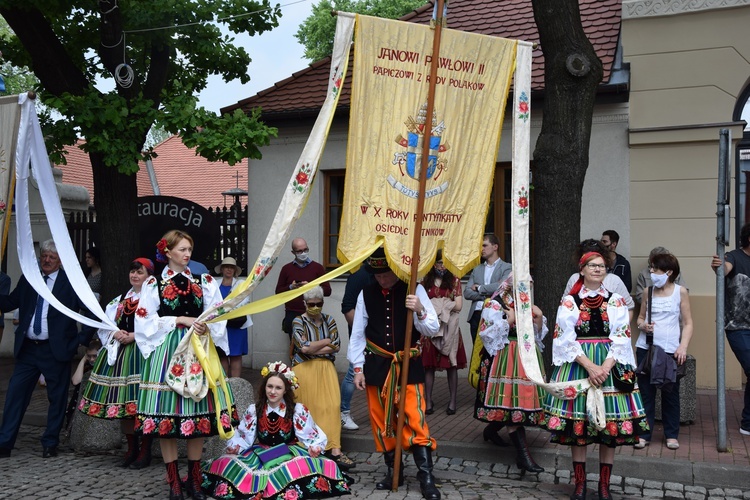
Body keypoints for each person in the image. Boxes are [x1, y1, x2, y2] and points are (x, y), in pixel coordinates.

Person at [134, 230, 237, 500]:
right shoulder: (153, 283)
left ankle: (193, 478)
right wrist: (179, 319)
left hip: (198, 348)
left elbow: (218, 311)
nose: (187, 253)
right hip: (168, 350)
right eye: (181, 249)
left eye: (189, 248)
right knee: (166, 418)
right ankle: (173, 482)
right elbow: (144, 321)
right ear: (167, 251)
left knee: (197, 416)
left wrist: (207, 324)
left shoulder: (204, 280)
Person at [544, 251, 648, 500]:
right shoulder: (570, 301)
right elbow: (563, 338)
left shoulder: (616, 301)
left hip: (609, 366)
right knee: (578, 431)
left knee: (609, 429)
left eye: (602, 266)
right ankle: (579, 484)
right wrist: (590, 366)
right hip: (580, 364)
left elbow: (622, 336)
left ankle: (604, 485)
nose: (598, 269)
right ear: (582, 269)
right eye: (593, 265)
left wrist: (605, 367)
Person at [348, 248, 442, 500]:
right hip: (377, 365)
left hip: (409, 364)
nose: (381, 279)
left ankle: (426, 478)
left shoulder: (414, 288)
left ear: (396, 269)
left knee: (416, 417)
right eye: (377, 275)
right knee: (381, 422)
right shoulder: (365, 293)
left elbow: (432, 328)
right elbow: (358, 333)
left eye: (386, 274)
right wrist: (357, 368)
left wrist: (420, 308)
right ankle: (394, 471)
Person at [201, 362, 352, 499]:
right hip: (261, 454)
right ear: (264, 387)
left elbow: (311, 435)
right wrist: (236, 446)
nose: (273, 391)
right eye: (270, 386)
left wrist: (315, 446)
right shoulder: (255, 410)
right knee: (230, 465)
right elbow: (243, 436)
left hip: (287, 452)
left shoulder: (296, 410)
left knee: (305, 467)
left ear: (286, 390)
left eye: (278, 388)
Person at [0, 239, 94, 459]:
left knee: (57, 397)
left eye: (52, 257)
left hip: (56, 350)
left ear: (60, 261)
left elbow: (90, 311)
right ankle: (5, 442)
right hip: (28, 350)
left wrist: (80, 340)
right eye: (44, 256)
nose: (47, 260)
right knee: (15, 394)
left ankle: (50, 442)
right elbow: (9, 303)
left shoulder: (70, 282)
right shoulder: (30, 279)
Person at [78, 258, 154, 468]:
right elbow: (105, 323)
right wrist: (115, 332)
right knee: (124, 405)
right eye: (132, 272)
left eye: (140, 272)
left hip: (145, 356)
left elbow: (161, 327)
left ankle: (146, 449)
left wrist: (135, 335)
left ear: (149, 276)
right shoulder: (121, 299)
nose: (135, 275)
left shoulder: (154, 299)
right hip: (122, 357)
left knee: (144, 404)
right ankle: (132, 448)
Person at [474, 274, 546, 473]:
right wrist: (510, 321)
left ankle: (491, 430)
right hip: (503, 358)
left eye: (529, 286)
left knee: (515, 403)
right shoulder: (496, 304)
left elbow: (537, 337)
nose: (527, 290)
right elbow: (487, 334)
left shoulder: (526, 304)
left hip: (525, 358)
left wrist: (538, 319)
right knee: (510, 403)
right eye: (523, 286)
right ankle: (524, 458)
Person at [291, 286, 356, 470]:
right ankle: (309, 449)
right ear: (305, 303)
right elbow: (302, 347)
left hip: (326, 368)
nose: (315, 307)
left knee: (332, 406)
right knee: (309, 407)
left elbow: (337, 344)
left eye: (318, 304)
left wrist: (316, 345)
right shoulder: (298, 321)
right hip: (304, 369)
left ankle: (335, 450)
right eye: (311, 304)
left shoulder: (330, 320)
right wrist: (326, 341)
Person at [634, 252, 693, 451]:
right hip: (647, 349)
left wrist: (682, 346)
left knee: (670, 393)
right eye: (651, 268)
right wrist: (643, 326)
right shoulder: (647, 292)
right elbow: (640, 319)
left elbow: (688, 322)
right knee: (646, 393)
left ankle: (671, 434)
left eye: (655, 269)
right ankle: (644, 434)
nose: (651, 272)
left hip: (670, 350)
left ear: (668, 272)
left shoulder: (680, 292)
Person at [711, 221, 750, 436]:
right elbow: (724, 268)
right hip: (738, 326)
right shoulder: (735, 256)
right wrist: (719, 266)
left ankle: (748, 423)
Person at [421, 251, 467, 415]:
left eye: (445, 262)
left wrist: (437, 305)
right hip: (430, 328)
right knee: (429, 366)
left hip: (450, 328)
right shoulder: (425, 280)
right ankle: (428, 401)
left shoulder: (454, 280)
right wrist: (446, 303)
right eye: (439, 262)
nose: (442, 266)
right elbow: (421, 303)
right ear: (433, 263)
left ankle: (453, 401)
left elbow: (459, 305)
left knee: (451, 364)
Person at [339, 263, 375, 431]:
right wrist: (363, 332)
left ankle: (383, 412)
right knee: (353, 372)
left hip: (379, 337)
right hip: (363, 336)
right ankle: (343, 413)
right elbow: (347, 307)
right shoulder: (358, 276)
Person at [275, 237, 331, 341]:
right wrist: (291, 287)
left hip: (313, 312)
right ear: (293, 252)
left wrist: (311, 287)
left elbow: (327, 291)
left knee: (313, 344)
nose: (303, 253)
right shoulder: (286, 269)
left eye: (305, 250)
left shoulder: (318, 268)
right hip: (292, 313)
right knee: (295, 345)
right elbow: (278, 292)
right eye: (300, 251)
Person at [564, 239, 635, 319]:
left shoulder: (614, 280)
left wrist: (619, 329)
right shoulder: (574, 279)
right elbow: (565, 308)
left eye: (600, 264)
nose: (596, 269)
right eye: (591, 264)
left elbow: (629, 308)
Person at [464, 234, 512, 343]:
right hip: (476, 313)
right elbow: (466, 292)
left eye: (485, 245)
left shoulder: (506, 267)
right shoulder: (476, 269)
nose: (482, 249)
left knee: (493, 352)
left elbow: (501, 287)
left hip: (497, 312)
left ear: (495, 247)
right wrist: (488, 293)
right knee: (477, 354)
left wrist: (479, 288)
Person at [216, 256, 250, 378]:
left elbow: (244, 301)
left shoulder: (241, 284)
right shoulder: (215, 284)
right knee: (222, 354)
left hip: (236, 325)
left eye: (231, 267)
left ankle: (236, 385)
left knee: (236, 355)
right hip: (220, 326)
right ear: (222, 269)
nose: (229, 270)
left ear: (235, 270)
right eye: (226, 267)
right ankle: (224, 385)